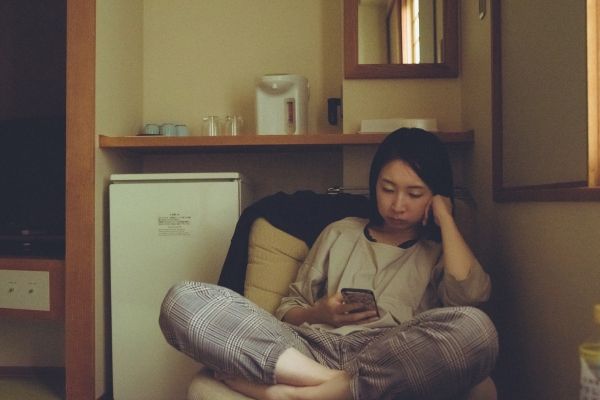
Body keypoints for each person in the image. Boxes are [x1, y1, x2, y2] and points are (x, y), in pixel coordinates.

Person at [159, 128, 498, 400]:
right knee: (181, 300)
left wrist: (446, 217)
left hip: (390, 356)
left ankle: (301, 395)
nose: (397, 205)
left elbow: (468, 298)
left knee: (478, 329)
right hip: (307, 351)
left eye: (415, 194)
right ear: (374, 184)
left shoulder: (439, 251)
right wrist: (321, 312)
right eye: (388, 188)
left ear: (434, 196)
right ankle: (336, 385)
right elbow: (287, 308)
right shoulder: (339, 232)